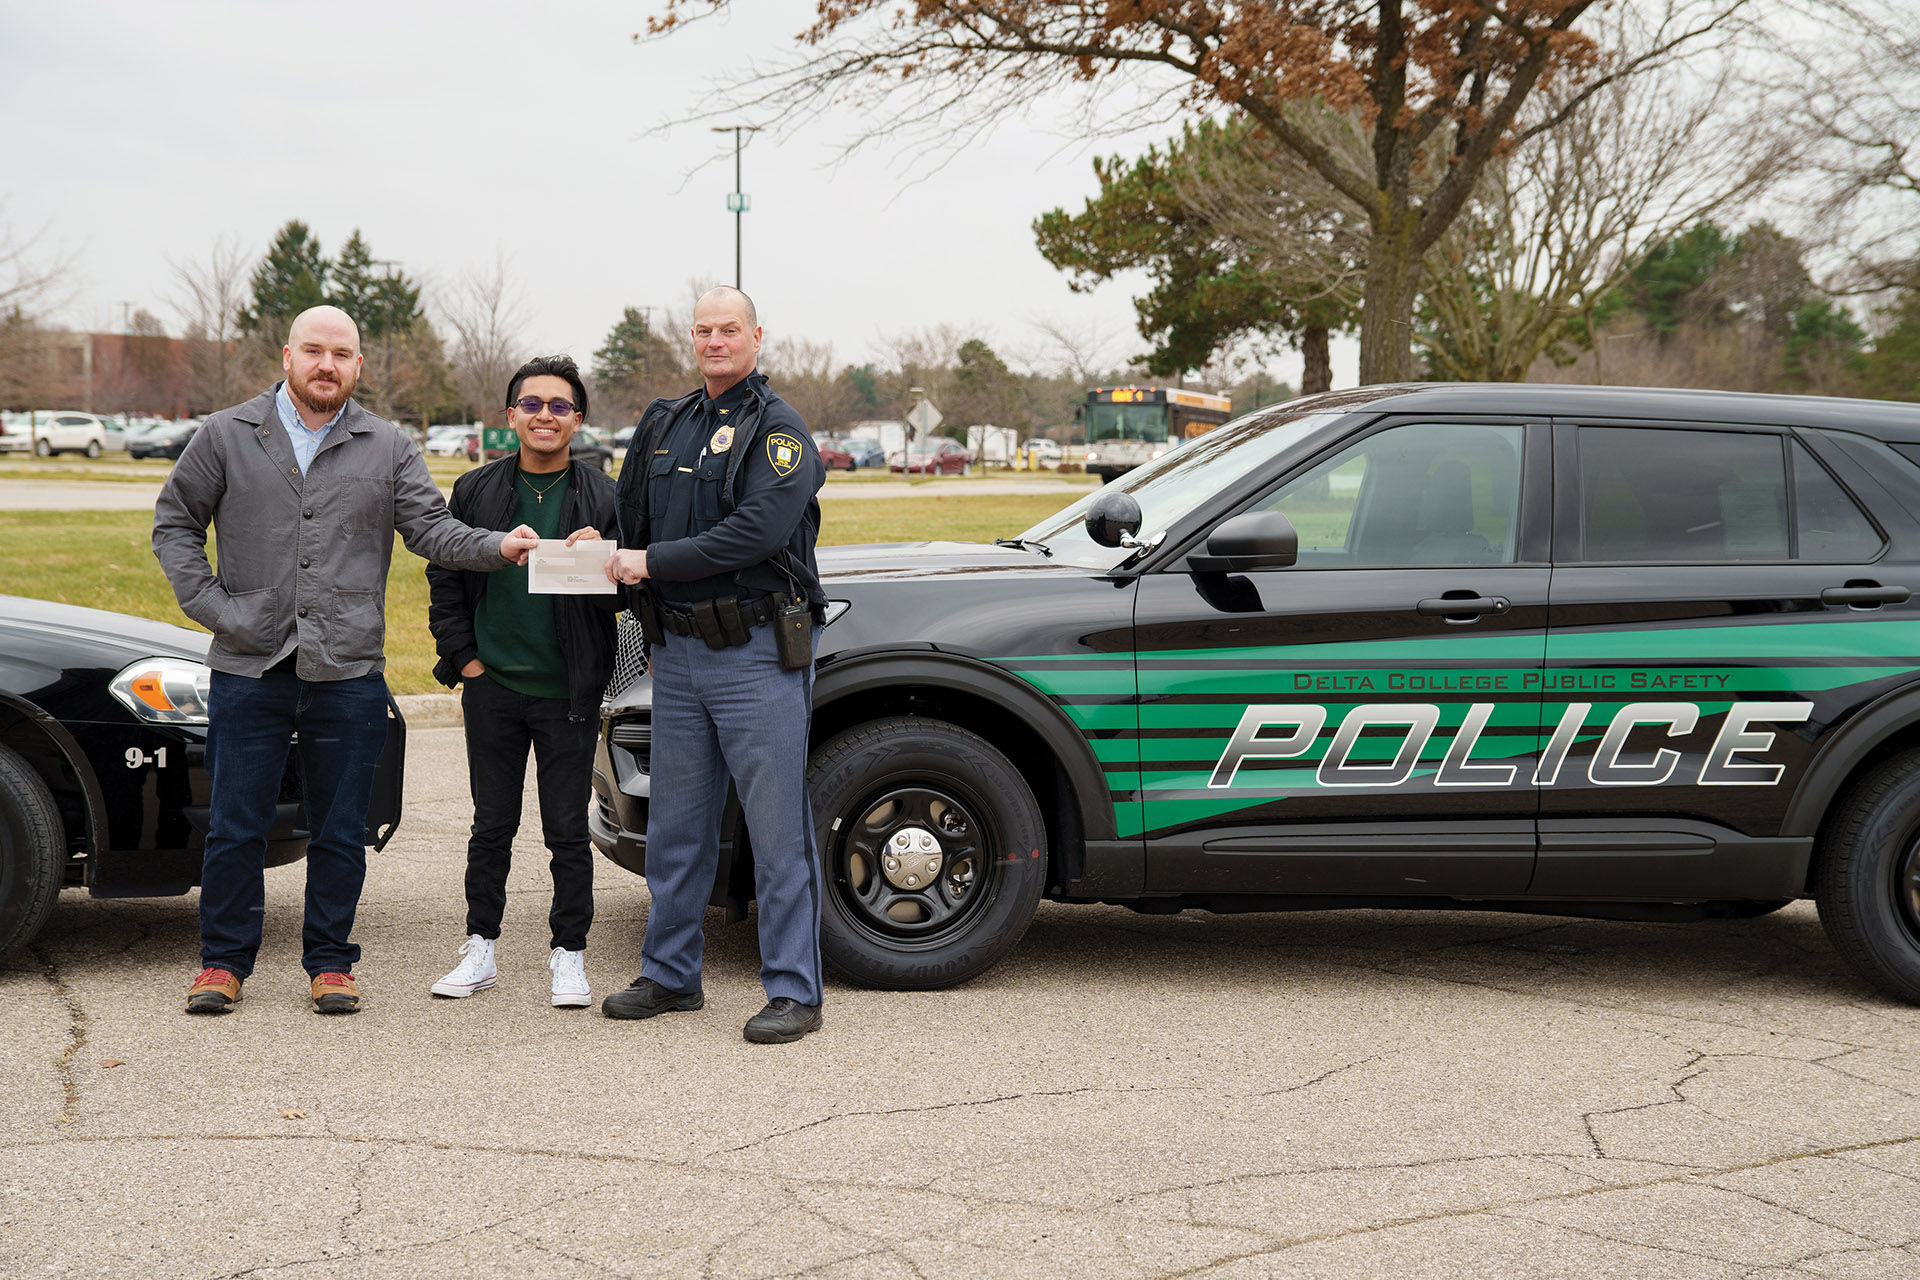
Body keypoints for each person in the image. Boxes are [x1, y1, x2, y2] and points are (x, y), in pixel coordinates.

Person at [154, 305, 538, 1016]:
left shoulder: (385, 445)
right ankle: (223, 962)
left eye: (341, 353)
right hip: (249, 666)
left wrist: (498, 546)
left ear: (359, 366)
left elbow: (431, 529)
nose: (326, 364)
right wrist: (215, 607)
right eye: (313, 351)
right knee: (236, 822)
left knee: (339, 829)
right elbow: (175, 523)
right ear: (287, 356)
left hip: (348, 669)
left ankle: (331, 961)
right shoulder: (227, 435)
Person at [601, 286, 829, 1044]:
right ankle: (670, 975)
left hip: (755, 654)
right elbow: (627, 515)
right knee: (676, 826)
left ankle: (795, 991)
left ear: (757, 336)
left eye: (729, 329)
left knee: (775, 829)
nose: (715, 341)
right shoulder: (665, 423)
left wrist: (646, 560)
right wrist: (597, 550)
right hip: (678, 652)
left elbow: (756, 533)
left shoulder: (780, 429)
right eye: (703, 330)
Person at [425, 355, 619, 1007]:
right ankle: (481, 947)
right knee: (491, 825)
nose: (544, 415)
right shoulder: (475, 490)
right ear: (510, 415)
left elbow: (629, 602)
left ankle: (569, 955)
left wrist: (607, 557)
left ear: (578, 420)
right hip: (494, 688)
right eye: (531, 404)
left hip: (568, 692)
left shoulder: (604, 497)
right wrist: (467, 662)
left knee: (566, 829)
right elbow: (444, 577)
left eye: (559, 406)